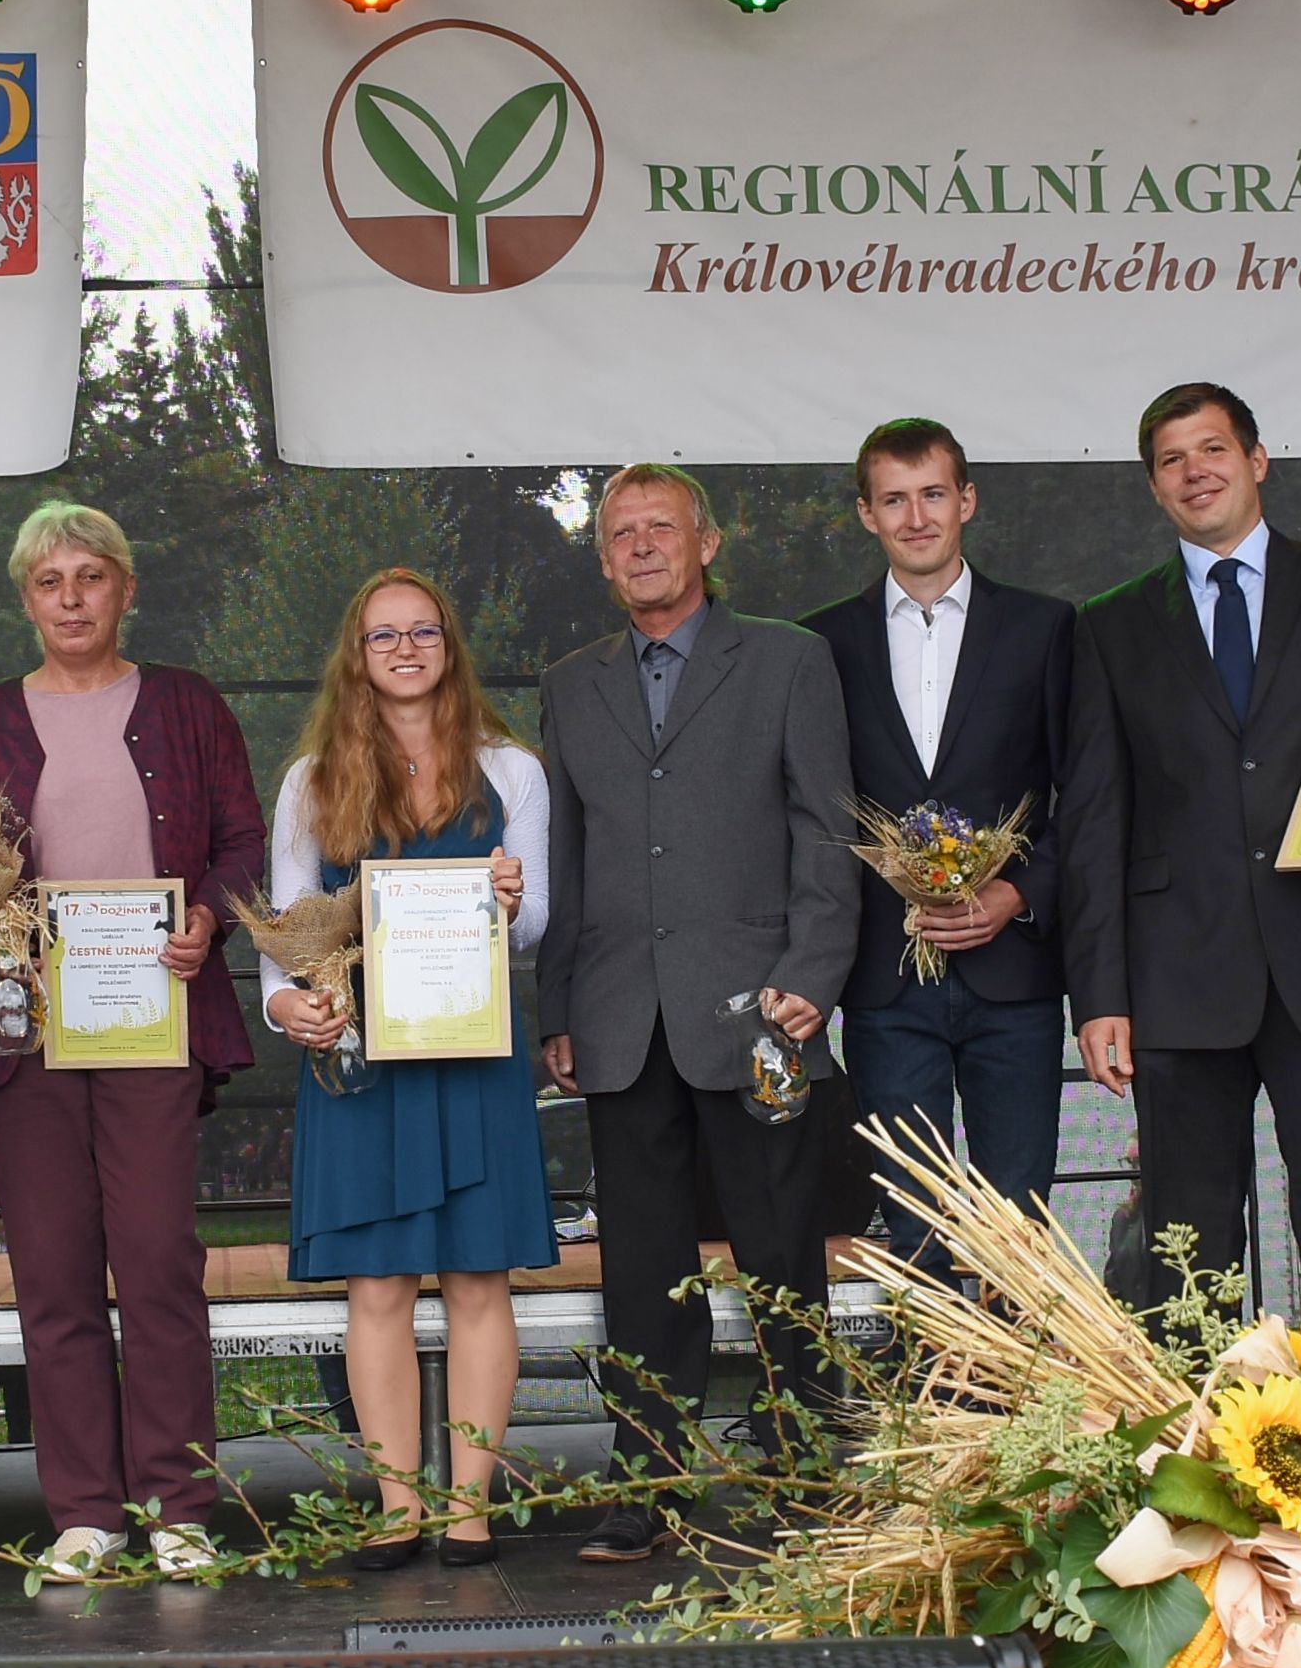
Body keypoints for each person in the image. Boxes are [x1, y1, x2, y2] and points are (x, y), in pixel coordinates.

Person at [1057, 382, 1301, 1346]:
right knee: (1185, 1247)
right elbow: (1095, 818)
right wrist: (1099, 995)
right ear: (1154, 487)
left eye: (1214, 449)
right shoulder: (1108, 625)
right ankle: (1185, 1467)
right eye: (1172, 459)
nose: (1196, 470)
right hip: (1176, 972)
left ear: (1257, 459)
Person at [0, 502, 265, 1582]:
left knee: (160, 1257)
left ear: (127, 589)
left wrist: (209, 920)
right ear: (25, 598)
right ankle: (85, 1510)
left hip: (153, 1021)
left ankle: (177, 1501)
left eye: (90, 576)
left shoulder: (187, 705)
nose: (71, 598)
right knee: (54, 1271)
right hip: (25, 1031)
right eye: (49, 581)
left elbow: (239, 842)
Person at [536, 465, 860, 1564]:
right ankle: (648, 1485)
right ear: (601, 557)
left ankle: (805, 1473)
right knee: (641, 1272)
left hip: (759, 1013)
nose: (639, 547)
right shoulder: (571, 683)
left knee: (781, 1257)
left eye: (659, 529)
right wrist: (560, 1006)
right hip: (622, 1017)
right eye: (619, 533)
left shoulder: (786, 659)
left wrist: (814, 971)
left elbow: (827, 830)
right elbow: (567, 858)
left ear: (707, 542)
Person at [262, 569, 555, 1570]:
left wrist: (514, 898)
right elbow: (286, 934)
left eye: (422, 630)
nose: (403, 648)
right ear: (357, 651)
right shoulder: (311, 780)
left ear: (449, 644)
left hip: (474, 1054)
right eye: (383, 634)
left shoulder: (512, 770)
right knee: (377, 1287)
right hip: (360, 1061)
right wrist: (286, 1001)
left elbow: (542, 924)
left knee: (480, 1280)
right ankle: (397, 1505)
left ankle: (467, 1504)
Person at [801, 420, 1075, 1264]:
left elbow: (1089, 796)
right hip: (885, 984)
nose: (915, 517)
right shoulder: (820, 644)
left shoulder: (1046, 628)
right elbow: (812, 810)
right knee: (914, 1225)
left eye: (932, 494)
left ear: (967, 500)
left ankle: (1020, 1402)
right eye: (893, 499)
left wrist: (1015, 892)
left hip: (1016, 979)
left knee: (1018, 1225)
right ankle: (928, 1398)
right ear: (865, 514)